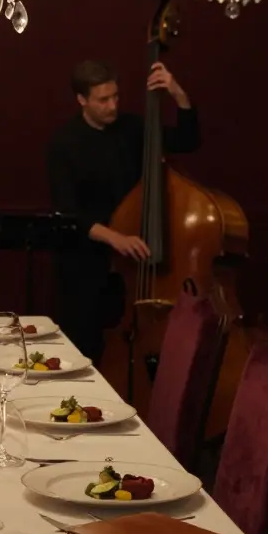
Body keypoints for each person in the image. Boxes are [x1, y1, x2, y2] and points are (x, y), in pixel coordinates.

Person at [45, 60, 199, 362]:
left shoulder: (132, 128)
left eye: (116, 96)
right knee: (84, 353)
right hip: (85, 270)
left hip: (132, 267)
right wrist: (116, 238)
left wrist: (177, 92)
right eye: (103, 100)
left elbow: (188, 140)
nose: (113, 106)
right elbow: (69, 213)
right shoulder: (63, 144)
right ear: (82, 100)